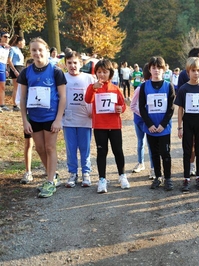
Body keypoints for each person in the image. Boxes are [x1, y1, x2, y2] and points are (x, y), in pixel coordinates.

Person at [18, 37, 67, 198]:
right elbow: (23, 98)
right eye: (34, 50)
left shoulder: (55, 71)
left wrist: (58, 118)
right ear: (30, 52)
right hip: (34, 117)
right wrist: (25, 120)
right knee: (39, 148)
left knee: (50, 148)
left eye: (40, 50)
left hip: (51, 116)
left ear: (47, 51)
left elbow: (63, 97)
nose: (37, 53)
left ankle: (50, 181)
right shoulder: (26, 72)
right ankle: (52, 175)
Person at [85, 59, 130, 193]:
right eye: (99, 72)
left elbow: (123, 105)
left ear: (110, 73)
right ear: (96, 73)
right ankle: (102, 179)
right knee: (101, 152)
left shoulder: (115, 89)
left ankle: (122, 175)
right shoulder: (93, 88)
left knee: (118, 151)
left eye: (105, 72)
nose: (102, 75)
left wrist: (121, 109)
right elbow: (87, 100)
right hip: (99, 126)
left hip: (114, 125)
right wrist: (93, 88)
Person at [175, 57, 199, 192]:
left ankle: (198, 176)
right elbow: (180, 109)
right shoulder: (184, 89)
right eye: (193, 71)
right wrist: (179, 127)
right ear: (188, 72)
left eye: (198, 70)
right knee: (187, 150)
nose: (196, 73)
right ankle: (186, 178)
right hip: (188, 123)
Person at [139, 56, 175, 191]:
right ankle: (157, 177)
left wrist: (163, 125)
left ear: (164, 69)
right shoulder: (144, 86)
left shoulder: (168, 86)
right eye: (154, 68)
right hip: (151, 127)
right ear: (150, 69)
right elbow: (141, 107)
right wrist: (149, 124)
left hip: (163, 128)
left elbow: (171, 108)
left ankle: (168, 178)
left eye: (159, 68)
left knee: (165, 153)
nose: (156, 70)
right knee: (154, 153)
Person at [63, 51, 95, 188]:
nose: (72, 66)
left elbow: (97, 96)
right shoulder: (62, 78)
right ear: (65, 64)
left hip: (85, 119)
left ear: (81, 64)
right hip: (68, 119)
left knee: (84, 147)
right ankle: (72, 173)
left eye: (75, 63)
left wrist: (94, 112)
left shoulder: (89, 78)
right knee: (70, 148)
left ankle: (86, 172)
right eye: (69, 63)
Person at [130, 63, 155, 179]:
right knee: (141, 142)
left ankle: (153, 168)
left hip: (152, 120)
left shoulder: (156, 87)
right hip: (140, 120)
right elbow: (133, 106)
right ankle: (141, 163)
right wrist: (144, 116)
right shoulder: (140, 88)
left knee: (151, 144)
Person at [16, 59, 35, 184]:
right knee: (28, 143)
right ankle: (28, 171)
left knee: (44, 145)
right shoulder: (23, 84)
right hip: (29, 116)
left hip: (42, 116)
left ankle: (49, 169)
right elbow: (18, 100)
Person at [7, 35, 25, 111]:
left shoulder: (19, 50)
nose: (24, 44)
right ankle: (15, 105)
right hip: (16, 68)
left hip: (21, 67)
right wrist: (14, 70)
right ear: (20, 42)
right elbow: (9, 60)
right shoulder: (13, 49)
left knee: (20, 87)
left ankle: (19, 103)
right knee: (16, 87)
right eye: (23, 42)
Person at [0, 32, 11, 112]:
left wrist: (6, 69)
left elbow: (6, 60)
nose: (7, 38)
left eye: (8, 37)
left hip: (2, 68)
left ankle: (2, 104)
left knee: (2, 87)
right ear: (1, 37)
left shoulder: (7, 48)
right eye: (5, 36)